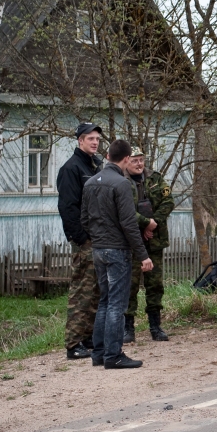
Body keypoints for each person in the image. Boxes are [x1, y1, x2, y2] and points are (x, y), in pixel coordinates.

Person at [80, 139, 153, 369]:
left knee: (104, 301)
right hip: (117, 251)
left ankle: (99, 353)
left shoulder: (90, 183)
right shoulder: (122, 184)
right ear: (126, 159)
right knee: (116, 304)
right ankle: (113, 355)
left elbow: (84, 219)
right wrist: (143, 255)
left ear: (108, 156)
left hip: (98, 249)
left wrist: (98, 239)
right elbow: (129, 224)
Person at [56, 122, 103, 360]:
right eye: (90, 138)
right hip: (84, 241)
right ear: (79, 141)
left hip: (98, 239)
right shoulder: (71, 169)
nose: (94, 142)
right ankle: (73, 344)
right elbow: (67, 208)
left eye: (97, 139)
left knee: (94, 291)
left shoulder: (95, 166)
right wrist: (80, 238)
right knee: (81, 292)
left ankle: (87, 337)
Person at [124, 148, 174, 343]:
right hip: (132, 242)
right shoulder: (121, 181)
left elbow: (168, 201)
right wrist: (144, 223)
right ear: (127, 161)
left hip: (155, 240)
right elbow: (124, 210)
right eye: (135, 160)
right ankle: (128, 328)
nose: (139, 164)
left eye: (141, 160)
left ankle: (156, 326)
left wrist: (153, 222)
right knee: (130, 285)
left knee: (155, 284)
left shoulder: (155, 178)